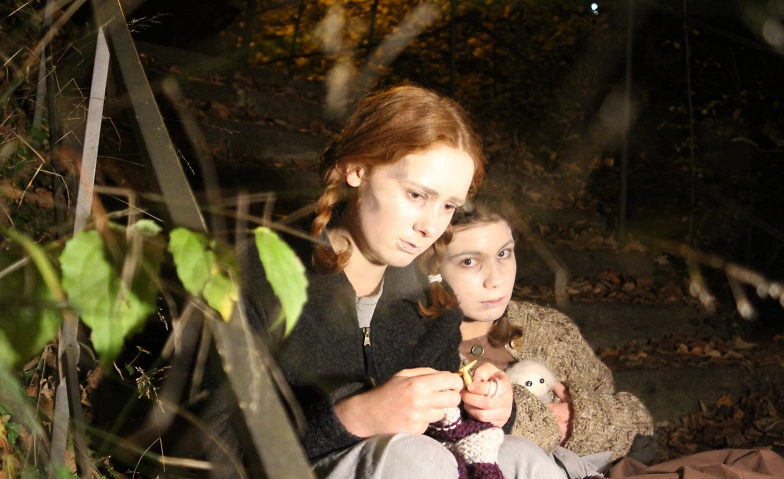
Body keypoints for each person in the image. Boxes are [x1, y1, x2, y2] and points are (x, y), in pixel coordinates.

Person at [229, 85, 567, 479]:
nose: (430, 226)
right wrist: (354, 417)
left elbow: (448, 430)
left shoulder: (432, 302)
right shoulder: (254, 275)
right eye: (416, 195)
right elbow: (213, 448)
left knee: (521, 456)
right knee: (411, 455)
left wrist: (488, 408)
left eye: (448, 206)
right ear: (358, 170)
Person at [437, 194, 656, 477]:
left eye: (504, 254)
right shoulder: (416, 347)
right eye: (469, 261)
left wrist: (575, 421)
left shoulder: (547, 328)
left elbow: (639, 428)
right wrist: (539, 420)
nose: (497, 279)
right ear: (431, 266)